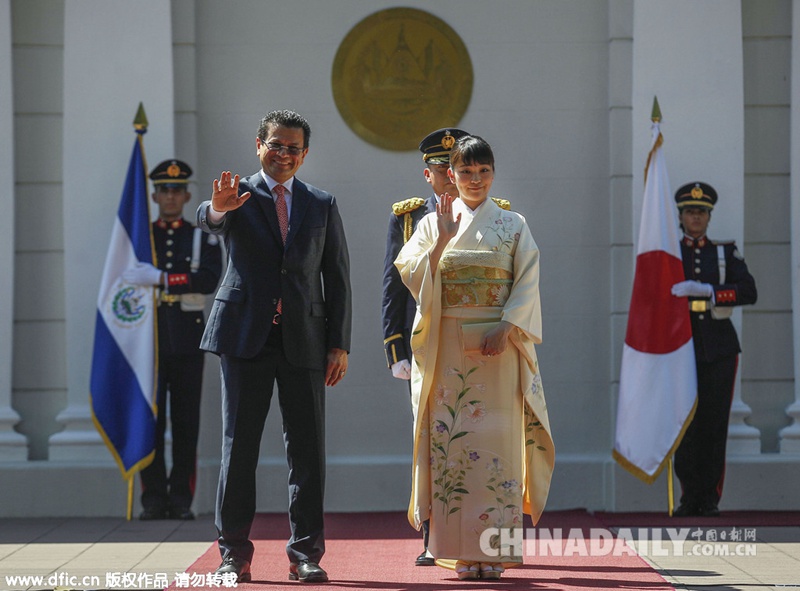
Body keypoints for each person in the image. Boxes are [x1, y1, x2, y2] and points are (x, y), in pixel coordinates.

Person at [196, 110, 352, 583]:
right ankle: (233, 553)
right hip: (246, 338)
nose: (284, 154)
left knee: (307, 451)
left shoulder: (321, 203)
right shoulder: (238, 194)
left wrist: (338, 344)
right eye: (276, 145)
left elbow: (337, 277)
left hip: (304, 341)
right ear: (259, 145)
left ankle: (305, 553)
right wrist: (219, 206)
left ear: (304, 155)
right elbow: (211, 219)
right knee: (238, 447)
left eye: (294, 148)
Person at [394, 135, 555, 580]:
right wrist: (444, 240)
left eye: (483, 171)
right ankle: (459, 552)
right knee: (453, 445)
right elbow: (410, 276)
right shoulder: (431, 223)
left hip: (498, 345)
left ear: (493, 173)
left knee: (498, 448)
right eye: (465, 172)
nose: (475, 179)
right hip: (448, 343)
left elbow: (527, 279)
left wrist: (507, 325)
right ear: (451, 175)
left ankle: (496, 552)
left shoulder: (513, 223)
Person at [381, 127, 468, 567]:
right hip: (424, 341)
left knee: (477, 434)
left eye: (457, 168)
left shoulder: (496, 214)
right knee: (429, 441)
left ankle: (475, 532)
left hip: (473, 343)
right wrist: (394, 349)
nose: (451, 177)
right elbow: (393, 289)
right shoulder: (409, 218)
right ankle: (433, 535)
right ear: (427, 174)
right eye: (441, 169)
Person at [123, 159, 222, 521]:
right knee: (150, 421)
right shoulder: (138, 238)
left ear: (186, 195)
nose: (170, 196)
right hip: (145, 341)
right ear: (153, 195)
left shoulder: (202, 236)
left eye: (176, 190)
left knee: (185, 422)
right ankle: (153, 498)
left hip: (186, 338)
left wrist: (162, 279)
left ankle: (181, 497)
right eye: (164, 190)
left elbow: (209, 279)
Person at [670, 182, 757, 517]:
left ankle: (709, 497)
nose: (696, 217)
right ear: (680, 217)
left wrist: (709, 291)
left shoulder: (723, 253)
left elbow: (749, 291)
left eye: (702, 212)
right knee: (685, 426)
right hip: (681, 346)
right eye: (690, 212)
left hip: (718, 347)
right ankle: (688, 496)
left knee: (714, 423)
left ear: (708, 217)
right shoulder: (669, 253)